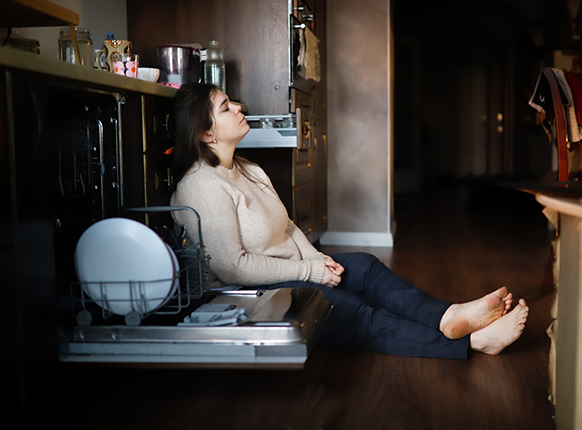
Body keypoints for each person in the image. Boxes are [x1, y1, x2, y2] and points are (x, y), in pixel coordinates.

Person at [170, 83, 529, 359]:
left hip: (294, 273)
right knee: (355, 312)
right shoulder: (200, 187)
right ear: (206, 133)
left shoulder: (249, 169)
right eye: (225, 107)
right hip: (258, 295)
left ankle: (450, 315)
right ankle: (473, 342)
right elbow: (233, 268)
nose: (238, 108)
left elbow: (288, 227)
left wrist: (316, 260)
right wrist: (311, 273)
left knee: (365, 267)